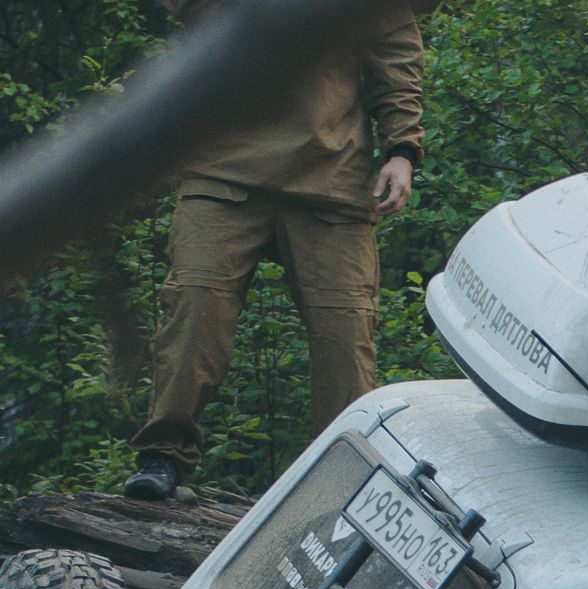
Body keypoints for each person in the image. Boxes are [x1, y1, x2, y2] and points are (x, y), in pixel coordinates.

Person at [122, 0, 426, 502]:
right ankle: (163, 456)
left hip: (331, 173)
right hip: (221, 165)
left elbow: (395, 52)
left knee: (345, 332)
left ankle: (345, 482)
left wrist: (402, 150)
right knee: (195, 304)